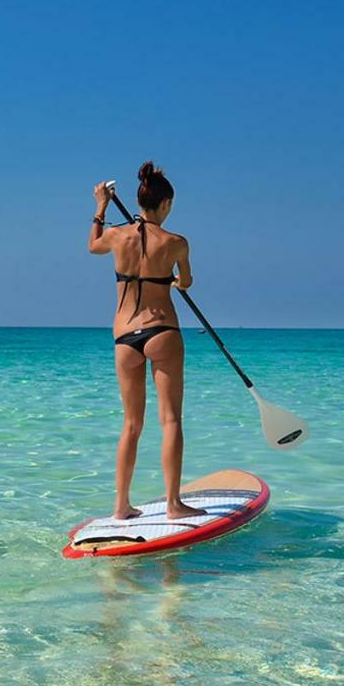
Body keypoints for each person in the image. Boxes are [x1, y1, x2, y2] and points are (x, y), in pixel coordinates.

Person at [88, 163, 203, 520]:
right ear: (165, 203)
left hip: (125, 337)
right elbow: (186, 282)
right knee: (170, 421)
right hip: (162, 332)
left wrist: (101, 207)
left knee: (131, 425)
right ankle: (173, 505)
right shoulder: (176, 243)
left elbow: (93, 246)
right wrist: (171, 282)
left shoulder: (117, 236)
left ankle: (121, 506)